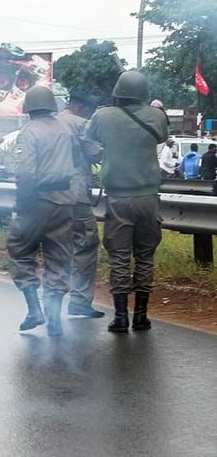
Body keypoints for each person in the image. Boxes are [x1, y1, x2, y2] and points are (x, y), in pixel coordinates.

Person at [87, 71, 170, 333]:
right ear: (143, 93)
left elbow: (90, 146)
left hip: (118, 197)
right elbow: (162, 138)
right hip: (148, 197)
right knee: (145, 255)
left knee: (119, 257)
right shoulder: (156, 115)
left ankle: (121, 317)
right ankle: (141, 316)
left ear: (117, 91)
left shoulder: (102, 116)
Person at [7, 86, 78, 337]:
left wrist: (22, 202)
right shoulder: (65, 129)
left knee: (19, 249)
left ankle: (34, 309)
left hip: (37, 200)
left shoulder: (28, 132)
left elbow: (26, 172)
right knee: (59, 257)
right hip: (64, 201)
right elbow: (78, 160)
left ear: (29, 108)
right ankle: (54, 318)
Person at [56, 94, 106, 319]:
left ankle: (51, 302)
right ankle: (79, 299)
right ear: (79, 106)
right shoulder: (79, 124)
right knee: (86, 243)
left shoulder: (50, 121)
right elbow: (95, 152)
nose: (89, 114)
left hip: (47, 196)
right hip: (74, 194)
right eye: (88, 109)